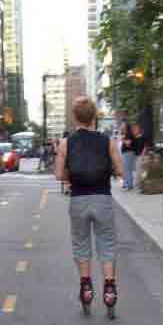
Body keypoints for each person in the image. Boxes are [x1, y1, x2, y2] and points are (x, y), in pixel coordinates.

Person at [55, 96, 124, 313]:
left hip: (78, 199)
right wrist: (107, 171)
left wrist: (72, 175)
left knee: (81, 244)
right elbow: (121, 170)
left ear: (75, 117)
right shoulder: (107, 141)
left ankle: (86, 286)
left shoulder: (67, 143)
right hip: (102, 198)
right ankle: (110, 287)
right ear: (94, 116)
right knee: (107, 244)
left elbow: (59, 175)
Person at [120, 122, 136, 190]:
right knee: (126, 169)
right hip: (126, 153)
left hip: (128, 153)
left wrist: (122, 139)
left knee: (127, 169)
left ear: (126, 126)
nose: (121, 126)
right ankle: (126, 183)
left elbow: (128, 143)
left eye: (123, 125)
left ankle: (129, 185)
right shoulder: (125, 133)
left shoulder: (129, 134)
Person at [132, 124, 146, 191]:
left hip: (140, 156)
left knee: (139, 171)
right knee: (137, 171)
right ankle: (137, 184)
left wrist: (143, 154)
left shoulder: (142, 137)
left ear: (139, 130)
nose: (135, 130)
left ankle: (138, 185)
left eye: (136, 129)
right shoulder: (135, 138)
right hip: (135, 155)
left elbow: (144, 146)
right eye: (134, 129)